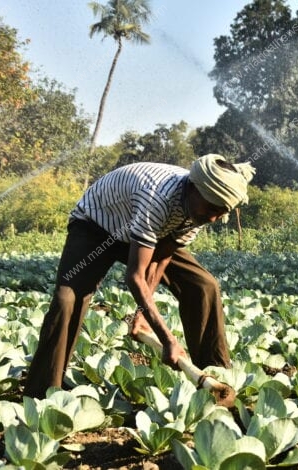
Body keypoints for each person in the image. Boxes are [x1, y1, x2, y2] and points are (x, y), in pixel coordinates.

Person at [24, 154, 255, 399]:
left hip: (147, 233)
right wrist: (167, 340)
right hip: (97, 226)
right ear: (192, 188)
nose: (212, 218)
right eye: (211, 209)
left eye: (219, 213)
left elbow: (159, 259)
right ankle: (43, 392)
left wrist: (142, 315)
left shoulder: (200, 211)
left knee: (203, 285)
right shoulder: (157, 197)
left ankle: (215, 380)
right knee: (67, 299)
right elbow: (135, 276)